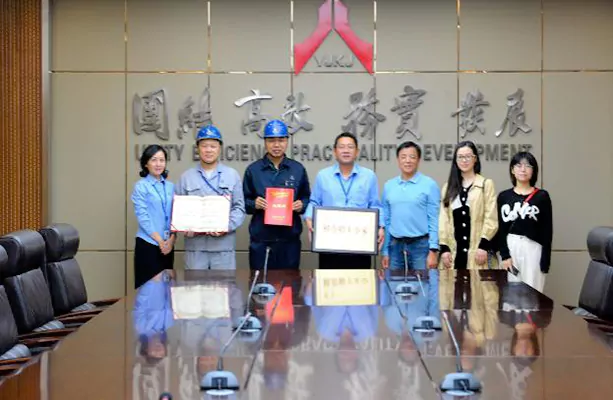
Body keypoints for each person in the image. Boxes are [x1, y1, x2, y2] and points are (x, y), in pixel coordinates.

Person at [304, 132, 384, 269]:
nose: (346, 150)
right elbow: (315, 202)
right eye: (341, 147)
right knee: (329, 280)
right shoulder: (323, 176)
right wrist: (309, 218)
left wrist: (381, 227)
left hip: (360, 242)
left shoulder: (368, 176)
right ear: (335, 152)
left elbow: (375, 205)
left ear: (357, 152)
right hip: (329, 242)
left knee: (359, 280)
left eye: (350, 147)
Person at [243, 120, 311, 270]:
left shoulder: (297, 169)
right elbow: (243, 202)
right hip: (261, 240)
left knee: (289, 282)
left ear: (287, 141)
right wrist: (254, 204)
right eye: (271, 140)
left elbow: (307, 198)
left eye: (281, 140)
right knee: (260, 281)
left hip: (289, 241)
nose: (276, 145)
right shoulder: (253, 170)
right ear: (265, 142)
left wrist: (301, 205)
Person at [175, 125, 245, 270]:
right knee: (194, 285)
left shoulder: (232, 175)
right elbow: (178, 211)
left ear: (219, 148)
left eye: (213, 146)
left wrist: (226, 226)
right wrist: (184, 225)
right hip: (195, 248)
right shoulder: (186, 177)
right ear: (197, 148)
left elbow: (239, 208)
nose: (208, 150)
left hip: (223, 248)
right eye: (204, 146)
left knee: (223, 284)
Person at [497, 151, 553, 292]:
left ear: (534, 171)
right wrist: (504, 255)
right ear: (512, 170)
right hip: (511, 246)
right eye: (519, 165)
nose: (523, 169)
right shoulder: (504, 197)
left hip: (533, 248)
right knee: (509, 294)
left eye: (528, 166)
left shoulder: (542, 196)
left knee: (533, 292)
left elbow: (547, 230)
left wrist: (545, 260)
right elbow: (501, 229)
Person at [381, 141, 440, 271]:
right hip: (395, 246)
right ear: (398, 160)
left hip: (421, 246)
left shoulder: (429, 185)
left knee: (422, 282)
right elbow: (386, 220)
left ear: (418, 160)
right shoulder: (389, 186)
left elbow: (434, 219)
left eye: (412, 157)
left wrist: (433, 250)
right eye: (403, 157)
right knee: (394, 282)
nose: (407, 161)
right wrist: (385, 251)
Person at [439, 141, 498, 270]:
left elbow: (491, 218)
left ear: (475, 159)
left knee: (478, 283)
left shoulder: (485, 184)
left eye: (468, 156)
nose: (464, 160)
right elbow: (444, 220)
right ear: (455, 160)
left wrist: (483, 245)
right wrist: (444, 248)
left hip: (477, 252)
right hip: (454, 254)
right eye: (460, 157)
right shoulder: (448, 187)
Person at [131, 145, 175, 288]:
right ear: (146, 163)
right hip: (148, 244)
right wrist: (160, 241)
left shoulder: (171, 187)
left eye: (162, 160)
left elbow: (176, 215)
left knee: (166, 289)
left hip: (168, 245)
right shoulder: (141, 186)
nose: (158, 164)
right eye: (154, 160)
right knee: (148, 290)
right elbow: (143, 217)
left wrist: (171, 240)